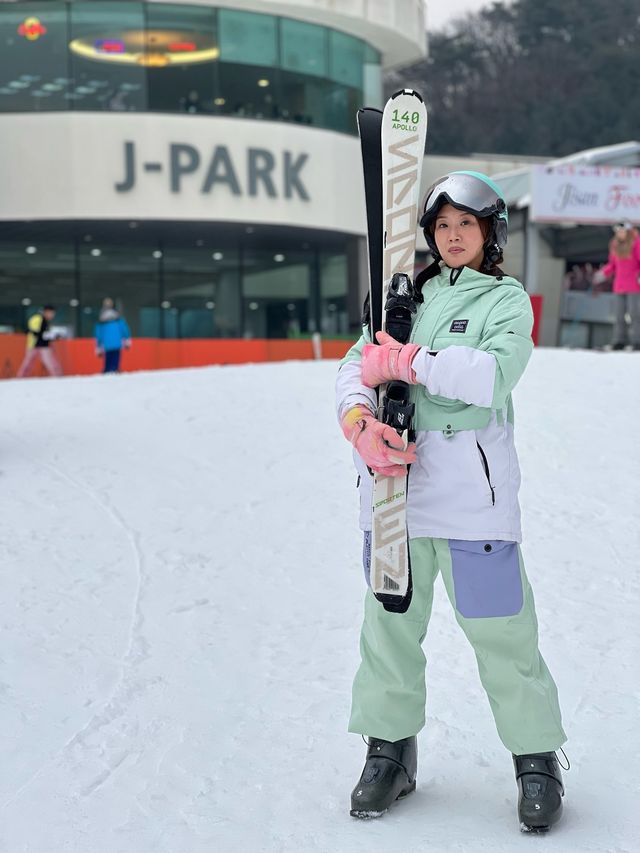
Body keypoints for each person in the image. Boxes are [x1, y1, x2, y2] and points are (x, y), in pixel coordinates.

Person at [335, 171, 567, 832]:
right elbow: (354, 366)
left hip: (473, 498)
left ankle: (535, 759)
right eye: (443, 225)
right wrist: (360, 424)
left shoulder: (506, 299)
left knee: (502, 632)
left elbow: (491, 376)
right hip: (394, 493)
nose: (455, 235)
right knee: (388, 630)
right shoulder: (406, 298)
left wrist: (408, 361)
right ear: (431, 235)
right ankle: (389, 751)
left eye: (467, 223)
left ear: (489, 230)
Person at [594, 221, 640, 350]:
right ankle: (619, 340)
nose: (619, 234)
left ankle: (637, 340)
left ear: (628, 231)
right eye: (618, 231)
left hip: (634, 284)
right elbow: (612, 265)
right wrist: (603, 273)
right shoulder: (615, 245)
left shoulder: (636, 243)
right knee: (619, 314)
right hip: (619, 285)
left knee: (634, 313)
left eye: (622, 231)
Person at [16, 304, 63, 378]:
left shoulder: (45, 321)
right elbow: (36, 333)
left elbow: (42, 334)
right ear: (46, 312)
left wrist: (52, 336)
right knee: (28, 364)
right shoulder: (37, 319)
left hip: (43, 345)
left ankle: (57, 377)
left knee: (51, 363)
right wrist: (53, 336)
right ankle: (20, 379)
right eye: (51, 313)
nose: (52, 315)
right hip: (35, 345)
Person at [94, 298, 131, 373]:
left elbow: (98, 334)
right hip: (117, 342)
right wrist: (127, 339)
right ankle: (115, 370)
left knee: (108, 360)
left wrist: (98, 346)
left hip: (107, 344)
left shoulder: (101, 319)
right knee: (115, 359)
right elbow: (124, 329)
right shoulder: (117, 317)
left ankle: (107, 371)